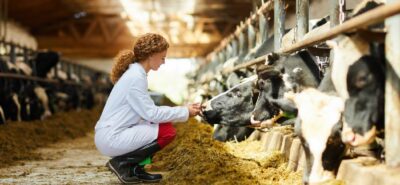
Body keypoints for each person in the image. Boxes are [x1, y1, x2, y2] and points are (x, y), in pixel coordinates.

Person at [94, 33, 201, 184]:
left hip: (113, 132)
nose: (164, 62)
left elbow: (147, 111)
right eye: (162, 58)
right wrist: (184, 111)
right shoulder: (135, 78)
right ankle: (123, 164)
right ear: (151, 55)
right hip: (112, 137)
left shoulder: (136, 74)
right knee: (167, 132)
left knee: (163, 126)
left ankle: (136, 169)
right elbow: (151, 113)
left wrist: (183, 110)